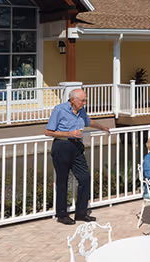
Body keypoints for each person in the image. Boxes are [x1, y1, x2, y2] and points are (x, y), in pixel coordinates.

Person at [45, 89, 110, 225]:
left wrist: (103, 127)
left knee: (85, 178)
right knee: (63, 181)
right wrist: (69, 133)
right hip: (62, 146)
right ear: (73, 100)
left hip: (77, 147)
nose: (84, 103)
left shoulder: (81, 110)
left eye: (85, 100)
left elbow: (88, 121)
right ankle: (62, 215)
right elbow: (48, 131)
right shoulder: (59, 109)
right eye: (82, 100)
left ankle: (81, 213)